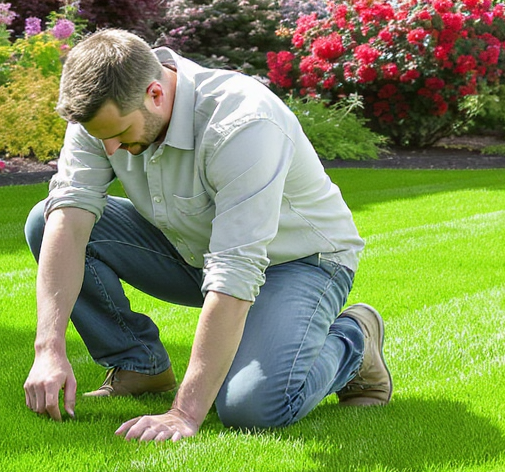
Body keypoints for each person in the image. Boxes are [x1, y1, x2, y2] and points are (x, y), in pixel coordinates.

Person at [22, 29, 392, 442]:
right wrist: (48, 348)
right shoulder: (104, 116)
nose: (109, 149)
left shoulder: (242, 122)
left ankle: (354, 340)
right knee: (46, 219)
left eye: (120, 134)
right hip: (193, 249)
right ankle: (138, 365)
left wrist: (184, 413)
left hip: (300, 263)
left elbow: (236, 267)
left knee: (252, 408)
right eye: (100, 136)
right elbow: (69, 221)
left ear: (155, 94)